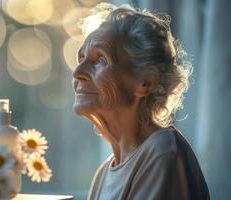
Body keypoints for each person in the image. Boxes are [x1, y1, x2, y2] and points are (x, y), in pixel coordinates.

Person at [72, 3, 209, 200]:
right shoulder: (103, 174)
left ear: (145, 82)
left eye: (100, 60)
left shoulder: (162, 152)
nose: (77, 73)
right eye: (81, 58)